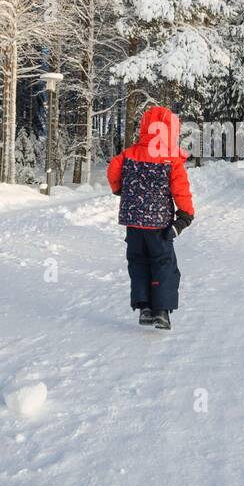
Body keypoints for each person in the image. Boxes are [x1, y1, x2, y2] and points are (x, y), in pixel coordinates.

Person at [106, 106, 194, 330]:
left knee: (138, 262)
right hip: (158, 224)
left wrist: (120, 188)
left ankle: (145, 308)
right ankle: (161, 312)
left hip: (133, 222)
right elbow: (180, 189)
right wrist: (184, 216)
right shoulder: (170, 159)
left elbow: (113, 169)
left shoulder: (129, 153)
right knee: (163, 263)